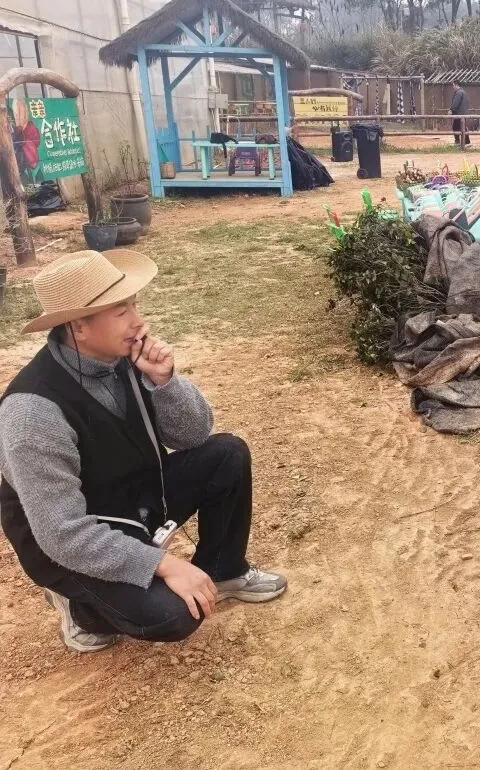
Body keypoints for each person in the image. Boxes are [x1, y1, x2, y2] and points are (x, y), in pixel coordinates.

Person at [0, 250, 287, 653]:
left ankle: (223, 570)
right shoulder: (33, 412)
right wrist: (162, 564)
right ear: (79, 326)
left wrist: (165, 382)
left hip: (131, 499)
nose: (139, 321)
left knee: (227, 454)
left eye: (134, 305)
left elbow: (194, 434)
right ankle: (81, 609)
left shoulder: (124, 357)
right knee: (174, 614)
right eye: (122, 311)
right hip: (72, 544)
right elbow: (62, 534)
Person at [449, 81, 470, 148]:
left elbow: (456, 103)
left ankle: (457, 142)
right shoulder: (464, 92)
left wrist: (451, 110)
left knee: (455, 127)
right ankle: (467, 141)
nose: (453, 87)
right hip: (463, 113)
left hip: (459, 114)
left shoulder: (458, 93)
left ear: (456, 85)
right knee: (463, 127)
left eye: (453, 85)